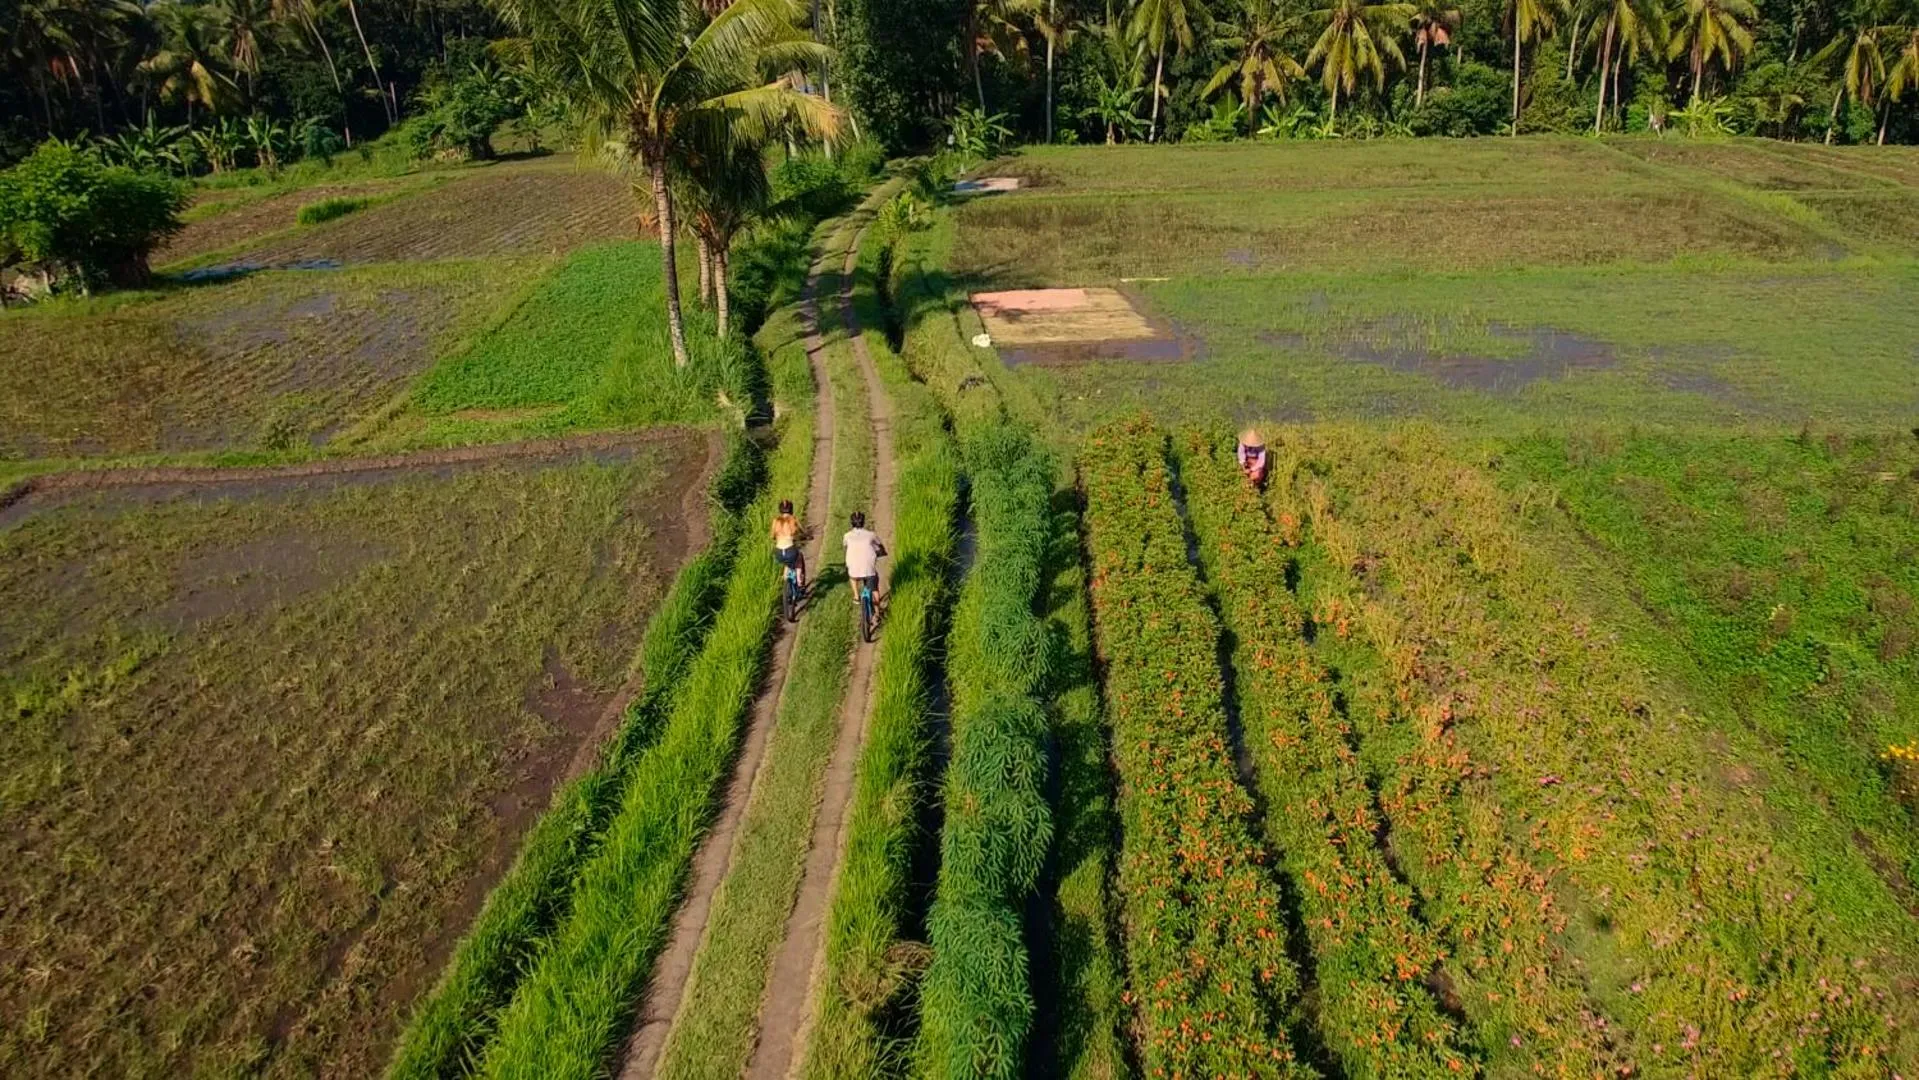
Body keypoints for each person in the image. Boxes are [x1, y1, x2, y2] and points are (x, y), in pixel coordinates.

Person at [843, 510, 886, 610]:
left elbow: (845, 545)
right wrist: (881, 552)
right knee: (874, 587)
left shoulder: (847, 536)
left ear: (851, 523)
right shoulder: (871, 535)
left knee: (852, 577)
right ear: (863, 522)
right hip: (868, 570)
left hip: (854, 570)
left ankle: (856, 596)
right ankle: (877, 612)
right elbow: (880, 546)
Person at [772, 499, 805, 588]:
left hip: (778, 552)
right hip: (790, 550)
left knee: (787, 563)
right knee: (798, 558)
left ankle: (785, 579)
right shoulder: (793, 519)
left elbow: (772, 536)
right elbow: (801, 531)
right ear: (791, 509)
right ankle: (799, 580)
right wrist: (806, 536)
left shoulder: (776, 521)